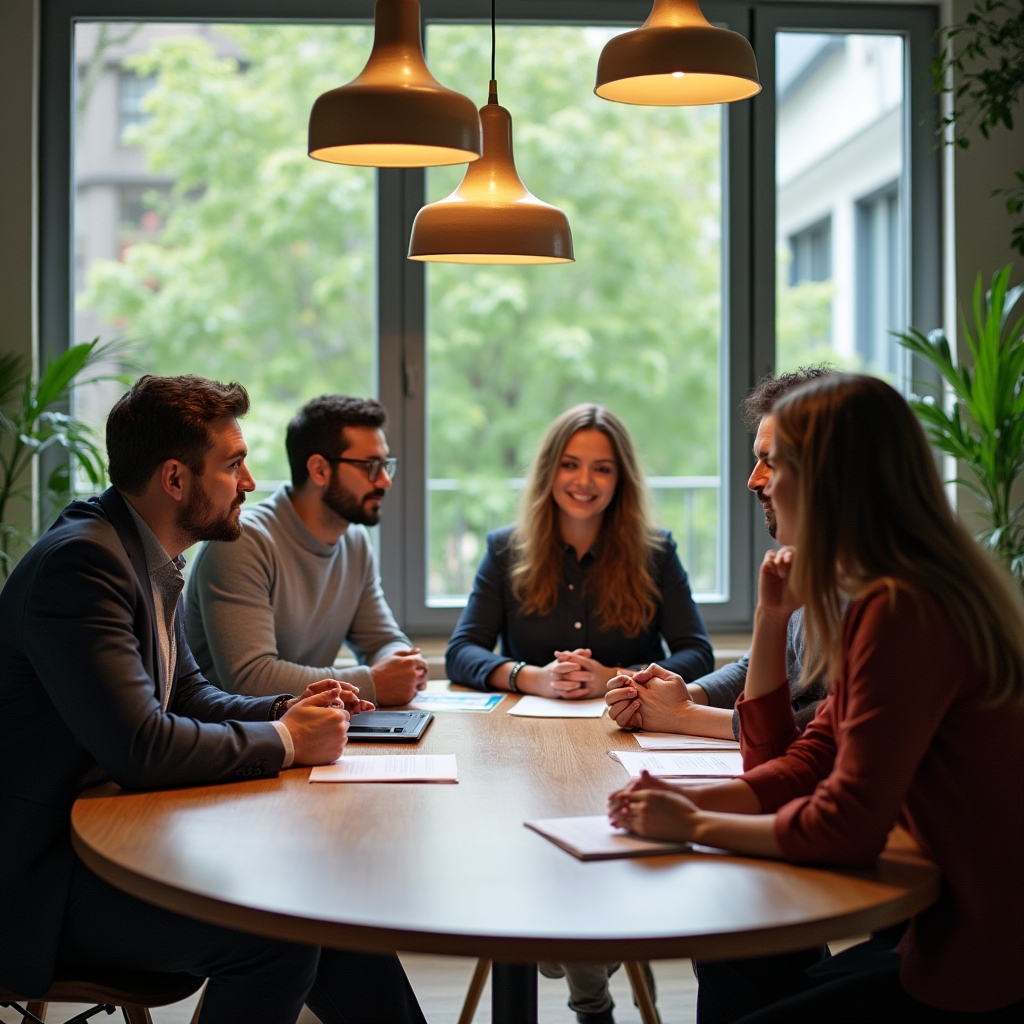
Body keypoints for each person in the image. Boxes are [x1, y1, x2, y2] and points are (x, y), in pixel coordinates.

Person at [0, 375, 427, 1024]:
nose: (250, 482)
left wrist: (286, 709)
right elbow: (142, 746)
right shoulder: (83, 567)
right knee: (278, 936)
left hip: (115, 832)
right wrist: (288, 743)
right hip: (44, 879)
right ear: (175, 479)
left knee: (333, 906)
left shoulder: (140, 552)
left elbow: (190, 693)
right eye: (233, 465)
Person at [608, 374, 1024, 1024]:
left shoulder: (901, 608)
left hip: (976, 959)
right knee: (735, 943)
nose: (760, 481)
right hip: (931, 923)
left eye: (773, 463)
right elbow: (808, 760)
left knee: (738, 948)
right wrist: (686, 799)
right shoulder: (896, 593)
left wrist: (691, 826)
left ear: (827, 478)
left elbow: (847, 824)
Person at [446, 403, 713, 1024]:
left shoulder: (655, 552)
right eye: (570, 465)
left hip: (624, 750)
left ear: (621, 479)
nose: (584, 481)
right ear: (548, 472)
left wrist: (617, 680)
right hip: (525, 757)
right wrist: (527, 675)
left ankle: (582, 984)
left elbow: (697, 651)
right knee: (548, 850)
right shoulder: (506, 549)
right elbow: (461, 650)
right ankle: (589, 989)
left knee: (594, 846)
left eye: (601, 468)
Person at [606, 368, 834, 740]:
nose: (753, 480)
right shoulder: (809, 561)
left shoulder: (867, 585)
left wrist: (683, 715)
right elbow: (762, 667)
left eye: (770, 462)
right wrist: (683, 696)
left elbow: (824, 726)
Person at [186, 394, 427, 707]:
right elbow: (250, 678)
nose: (384, 481)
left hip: (307, 732)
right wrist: (374, 683)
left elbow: (381, 639)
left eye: (386, 465)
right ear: (319, 470)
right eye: (371, 466)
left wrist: (400, 664)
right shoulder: (241, 542)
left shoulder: (354, 542)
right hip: (238, 740)